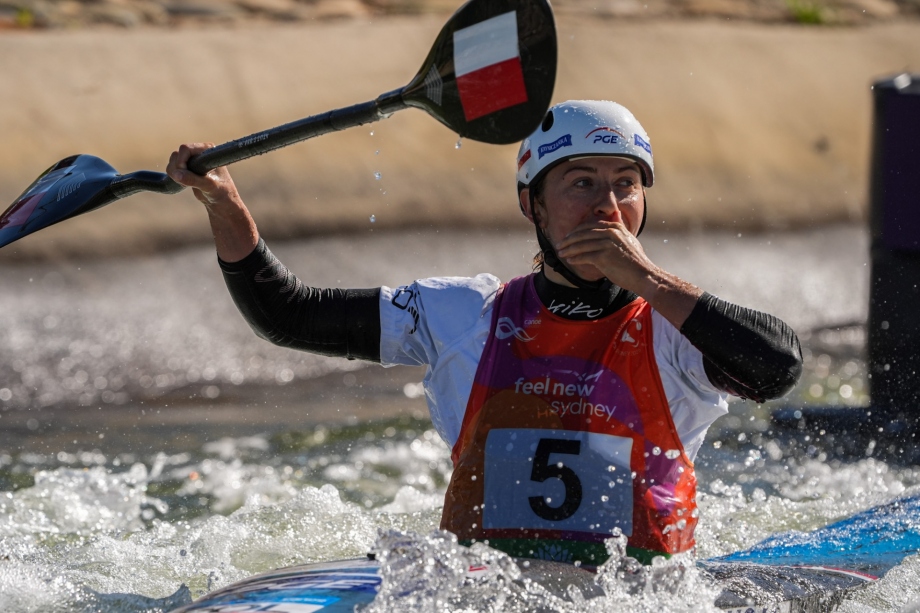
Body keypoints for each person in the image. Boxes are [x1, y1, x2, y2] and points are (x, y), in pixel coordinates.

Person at [166, 100, 802, 567]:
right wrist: (224, 203)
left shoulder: (675, 329)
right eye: (582, 183)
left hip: (639, 596)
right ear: (532, 204)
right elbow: (288, 315)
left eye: (626, 185)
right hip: (486, 592)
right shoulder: (462, 314)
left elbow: (778, 369)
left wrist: (647, 279)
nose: (607, 205)